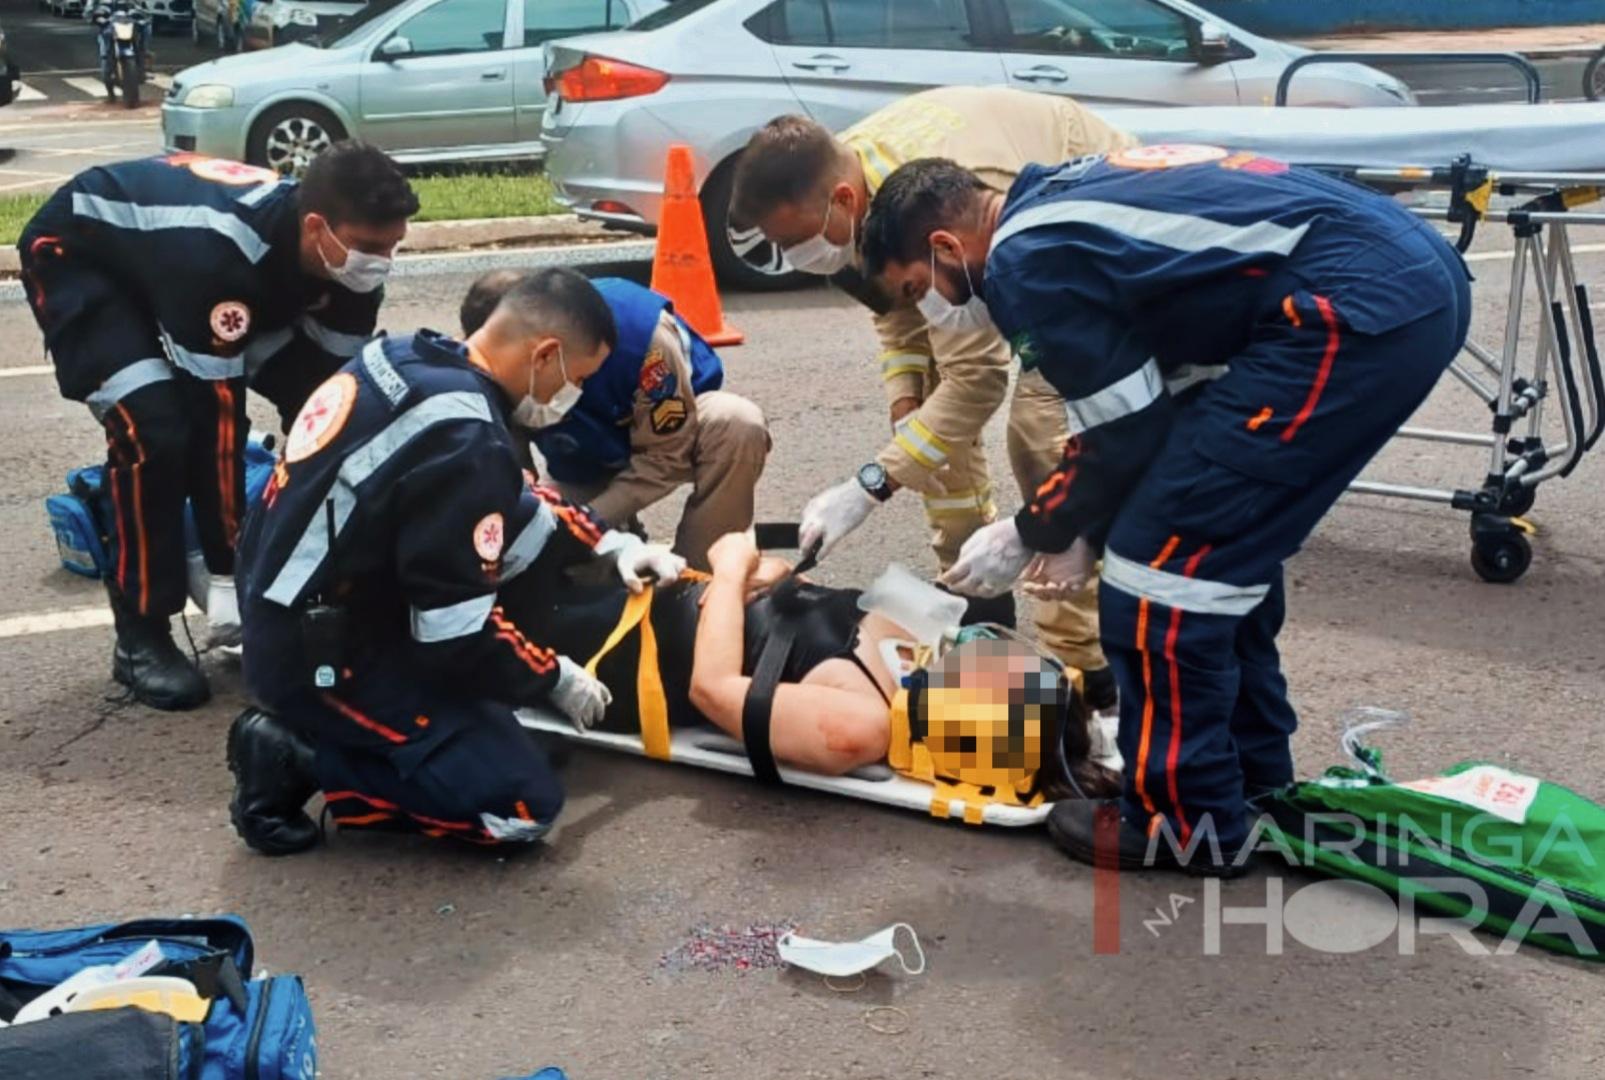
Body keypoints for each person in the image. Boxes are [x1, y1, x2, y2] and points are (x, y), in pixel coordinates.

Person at [859, 146, 1471, 874]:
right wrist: (1084, 525)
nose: (935, 307)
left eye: (916, 288)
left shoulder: (1024, 259)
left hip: (1347, 308)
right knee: (1212, 552)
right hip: (1395, 285)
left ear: (944, 246)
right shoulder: (1059, 203)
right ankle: (1250, 776)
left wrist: (1030, 529)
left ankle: (1185, 819)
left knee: (1159, 568)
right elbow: (1156, 396)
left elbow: (1124, 430)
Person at [225, 268, 686, 855]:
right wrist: (551, 677)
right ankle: (300, 757)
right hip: (321, 659)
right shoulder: (467, 436)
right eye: (577, 379)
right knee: (520, 807)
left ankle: (432, 731)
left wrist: (610, 542)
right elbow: (453, 632)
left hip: (294, 601)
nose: (568, 397)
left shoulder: (403, 358)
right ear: (545, 354)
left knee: (520, 575)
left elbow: (509, 504)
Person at [728, 87, 1137, 706]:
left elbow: (978, 380)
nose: (792, 259)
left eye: (796, 241)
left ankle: (1087, 667)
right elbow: (892, 309)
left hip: (1089, 228)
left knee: (1039, 429)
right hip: (980, 240)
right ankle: (978, 599)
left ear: (843, 202)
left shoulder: (919, 203)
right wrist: (903, 398)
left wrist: (868, 485)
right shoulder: (846, 209)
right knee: (926, 428)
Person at [18, 142, 419, 711]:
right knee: (156, 431)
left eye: (394, 246)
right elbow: (218, 423)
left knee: (324, 407)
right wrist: (229, 575)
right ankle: (142, 631)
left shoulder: (350, 263)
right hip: (85, 256)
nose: (382, 261)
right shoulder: (218, 256)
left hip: (190, 263)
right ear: (316, 227)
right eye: (371, 247)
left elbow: (328, 403)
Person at [499, 530, 1119, 802]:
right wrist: (777, 576)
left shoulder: (859, 725)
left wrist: (735, 564)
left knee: (480, 593)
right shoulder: (919, 650)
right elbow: (810, 613)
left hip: (620, 652)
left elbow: (713, 688)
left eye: (997, 671)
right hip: (667, 594)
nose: (984, 652)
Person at [460, 271, 770, 570]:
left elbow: (666, 456)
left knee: (736, 424)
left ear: (545, 349)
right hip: (579, 457)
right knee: (555, 569)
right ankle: (617, 545)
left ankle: (701, 576)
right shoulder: (481, 359)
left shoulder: (642, 338)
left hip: (668, 436)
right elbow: (510, 463)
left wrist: (586, 524)